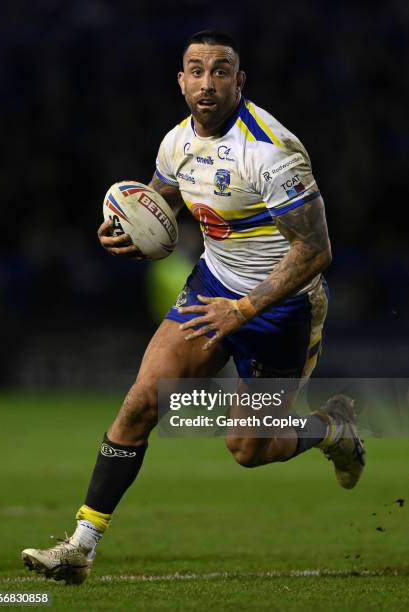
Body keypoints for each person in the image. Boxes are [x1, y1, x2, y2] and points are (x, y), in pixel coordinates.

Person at [22, 30, 365, 584]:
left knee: (249, 448)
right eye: (197, 70)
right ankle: (80, 547)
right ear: (181, 80)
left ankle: (333, 430)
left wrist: (246, 309)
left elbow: (315, 252)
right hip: (211, 288)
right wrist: (128, 229)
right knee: (140, 403)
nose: (208, 82)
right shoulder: (175, 142)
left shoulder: (272, 152)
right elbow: (162, 198)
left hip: (281, 310)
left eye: (221, 70)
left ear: (239, 80)